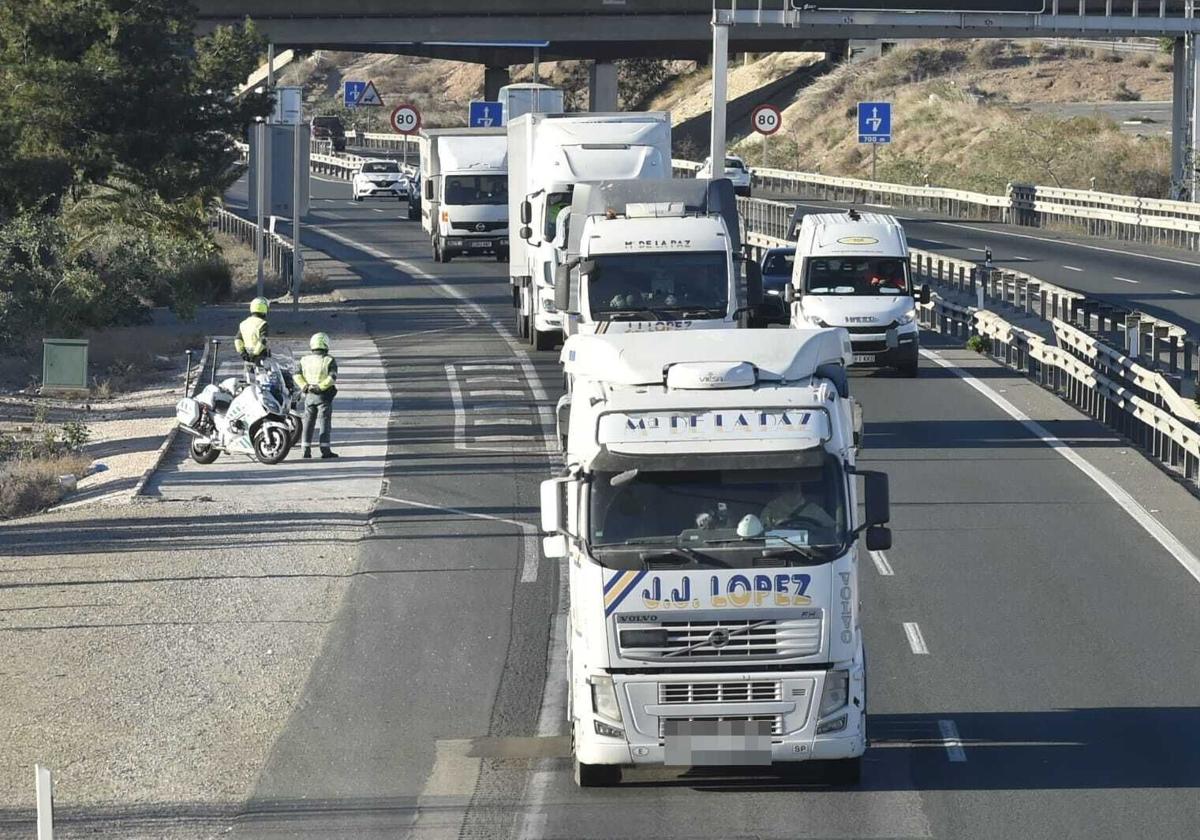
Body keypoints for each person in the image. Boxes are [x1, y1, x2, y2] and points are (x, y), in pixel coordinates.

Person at [294, 332, 339, 460]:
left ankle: (305, 450)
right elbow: (332, 377)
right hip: (323, 396)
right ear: (326, 344)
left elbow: (296, 375)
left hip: (308, 395)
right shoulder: (329, 360)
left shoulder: (304, 360)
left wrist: (305, 386)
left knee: (308, 422)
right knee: (324, 422)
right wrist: (320, 387)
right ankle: (325, 450)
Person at [235, 297, 271, 378]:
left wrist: (242, 352)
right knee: (263, 380)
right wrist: (255, 354)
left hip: (246, 356)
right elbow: (263, 340)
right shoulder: (263, 324)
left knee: (249, 379)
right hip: (260, 357)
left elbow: (238, 340)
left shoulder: (243, 323)